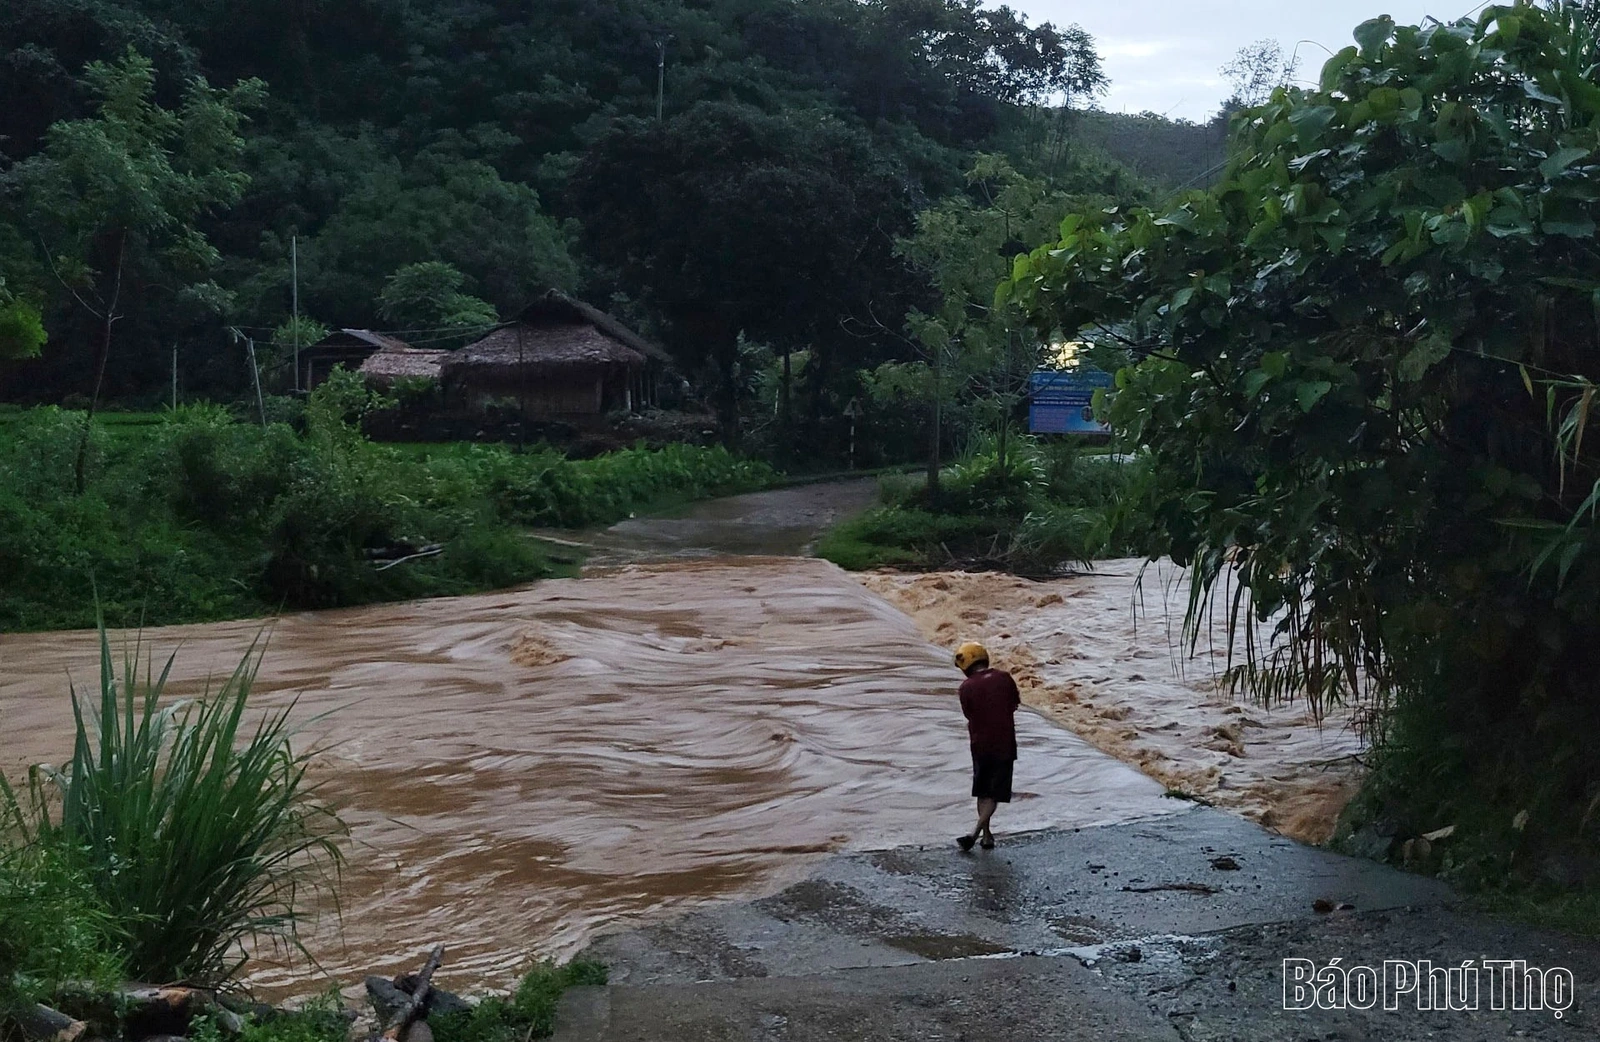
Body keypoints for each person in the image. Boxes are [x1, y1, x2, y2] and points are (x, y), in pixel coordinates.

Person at [953, 641, 1020, 852]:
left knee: (983, 792)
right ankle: (980, 834)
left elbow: (968, 713)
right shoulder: (1004, 678)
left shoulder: (966, 688)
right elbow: (1015, 704)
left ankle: (981, 835)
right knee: (994, 793)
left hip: (979, 744)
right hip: (1004, 743)